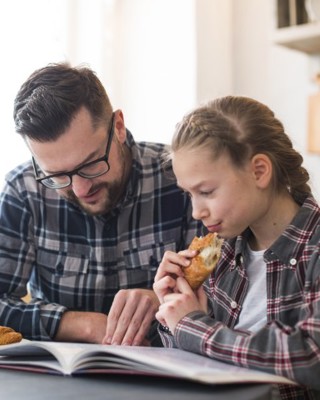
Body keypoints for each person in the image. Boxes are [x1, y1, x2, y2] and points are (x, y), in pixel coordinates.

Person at [0, 62, 202, 346]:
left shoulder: (182, 179)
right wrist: (81, 325)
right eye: (57, 176)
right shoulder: (23, 190)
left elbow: (227, 295)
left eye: (92, 164)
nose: (81, 189)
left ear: (118, 127)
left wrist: (163, 299)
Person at [153, 96, 320, 399]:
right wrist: (174, 312)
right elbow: (204, 360)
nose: (196, 212)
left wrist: (192, 325)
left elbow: (311, 355)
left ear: (259, 171)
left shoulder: (315, 249)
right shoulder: (223, 253)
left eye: (206, 191)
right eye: (190, 194)